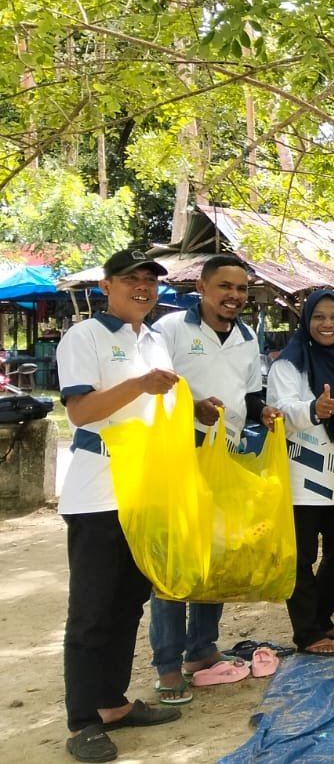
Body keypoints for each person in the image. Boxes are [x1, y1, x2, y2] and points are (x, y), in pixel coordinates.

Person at [58, 249, 183, 762]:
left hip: (144, 492)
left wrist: (194, 407)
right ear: (106, 285)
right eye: (131, 279)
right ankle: (83, 721)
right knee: (92, 611)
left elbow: (157, 409)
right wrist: (138, 384)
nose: (143, 287)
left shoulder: (154, 340)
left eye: (150, 280)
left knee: (128, 604)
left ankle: (112, 703)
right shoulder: (84, 336)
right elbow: (81, 411)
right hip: (97, 494)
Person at [151, 254, 281, 703]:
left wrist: (263, 412)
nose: (234, 296)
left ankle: (202, 650)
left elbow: (248, 395)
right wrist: (193, 408)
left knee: (214, 555)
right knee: (175, 561)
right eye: (225, 286)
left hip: (225, 457)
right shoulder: (170, 330)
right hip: (178, 455)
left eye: (241, 289)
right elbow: (153, 388)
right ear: (202, 289)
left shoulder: (247, 337)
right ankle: (168, 665)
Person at [267, 290, 334, 657]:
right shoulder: (289, 365)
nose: (328, 324)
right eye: (319, 317)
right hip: (302, 477)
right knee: (302, 558)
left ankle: (322, 616)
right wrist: (314, 408)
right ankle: (307, 633)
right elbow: (280, 410)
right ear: (306, 321)